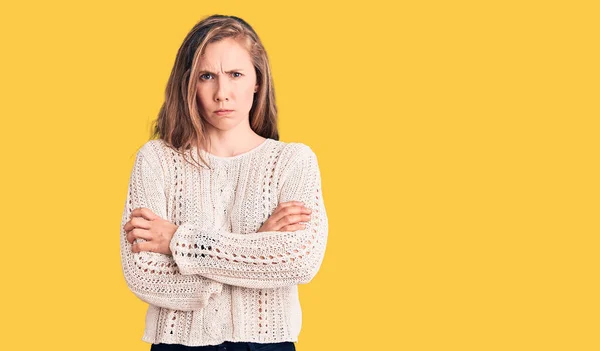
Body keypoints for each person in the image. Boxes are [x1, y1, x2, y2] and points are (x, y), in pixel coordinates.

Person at [119, 14, 328, 351]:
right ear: (190, 83)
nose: (222, 93)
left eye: (235, 74)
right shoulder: (155, 159)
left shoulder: (293, 161)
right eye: (207, 76)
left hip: (267, 344)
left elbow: (299, 262)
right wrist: (258, 248)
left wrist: (179, 241)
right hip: (177, 344)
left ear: (257, 81)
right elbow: (143, 274)